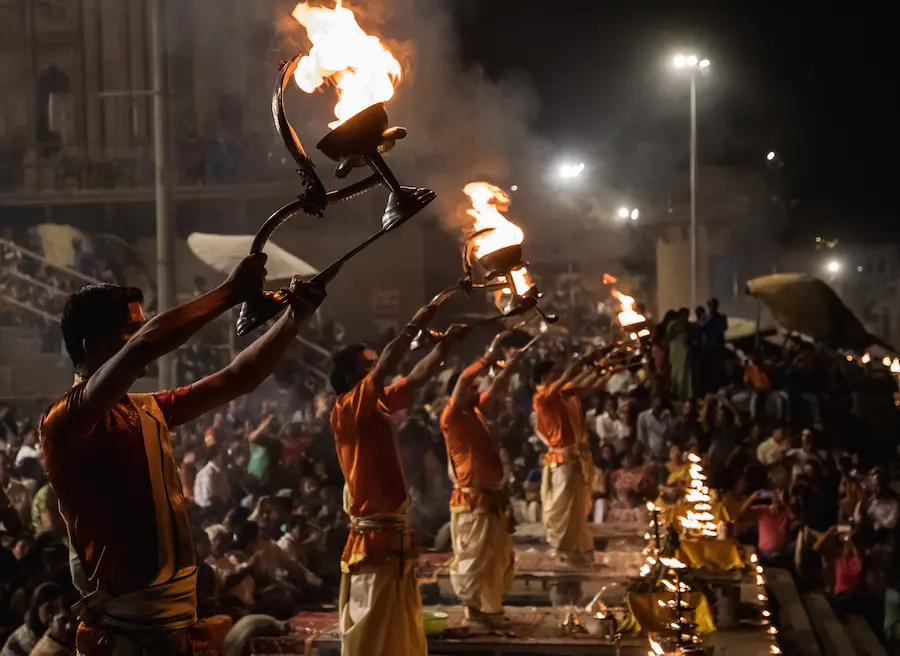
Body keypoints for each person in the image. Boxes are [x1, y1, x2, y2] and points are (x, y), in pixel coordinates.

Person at [39, 255, 326, 656]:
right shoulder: (64, 422)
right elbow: (144, 347)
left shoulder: (146, 408)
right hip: (127, 635)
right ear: (92, 346)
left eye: (141, 325)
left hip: (177, 626)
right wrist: (228, 293)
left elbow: (237, 378)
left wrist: (296, 317)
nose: (143, 335)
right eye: (129, 329)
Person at [329, 300, 463, 656]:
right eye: (367, 366)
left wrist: (444, 348)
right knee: (372, 633)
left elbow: (417, 377)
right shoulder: (346, 409)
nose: (375, 369)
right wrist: (419, 320)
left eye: (373, 364)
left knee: (399, 631)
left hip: (393, 533)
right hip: (374, 538)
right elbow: (389, 364)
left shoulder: (379, 403)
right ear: (349, 378)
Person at [440, 335, 520, 627]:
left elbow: (496, 388)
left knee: (496, 557)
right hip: (472, 502)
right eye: (474, 388)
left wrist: (510, 366)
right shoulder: (451, 416)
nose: (478, 390)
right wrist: (486, 358)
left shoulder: (475, 412)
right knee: (474, 560)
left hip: (491, 499)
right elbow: (463, 380)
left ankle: (489, 610)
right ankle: (474, 612)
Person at [532, 359, 598, 564]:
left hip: (575, 458)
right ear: (544, 377)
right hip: (561, 460)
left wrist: (601, 369)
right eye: (554, 372)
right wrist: (579, 365)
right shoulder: (542, 398)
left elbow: (584, 386)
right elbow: (567, 379)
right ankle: (562, 549)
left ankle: (576, 552)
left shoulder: (561, 394)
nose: (558, 375)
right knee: (563, 507)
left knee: (576, 507)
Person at [636, 394, 673, 462]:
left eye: (659, 399)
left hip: (665, 455)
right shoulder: (643, 416)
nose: (657, 402)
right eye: (656, 399)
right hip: (649, 456)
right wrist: (647, 455)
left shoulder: (668, 416)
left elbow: (670, 435)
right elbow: (641, 438)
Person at [193, 444, 231, 509]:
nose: (226, 456)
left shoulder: (222, 470)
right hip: (209, 509)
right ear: (215, 457)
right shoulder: (208, 474)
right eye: (223, 454)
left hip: (222, 506)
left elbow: (226, 491)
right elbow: (209, 498)